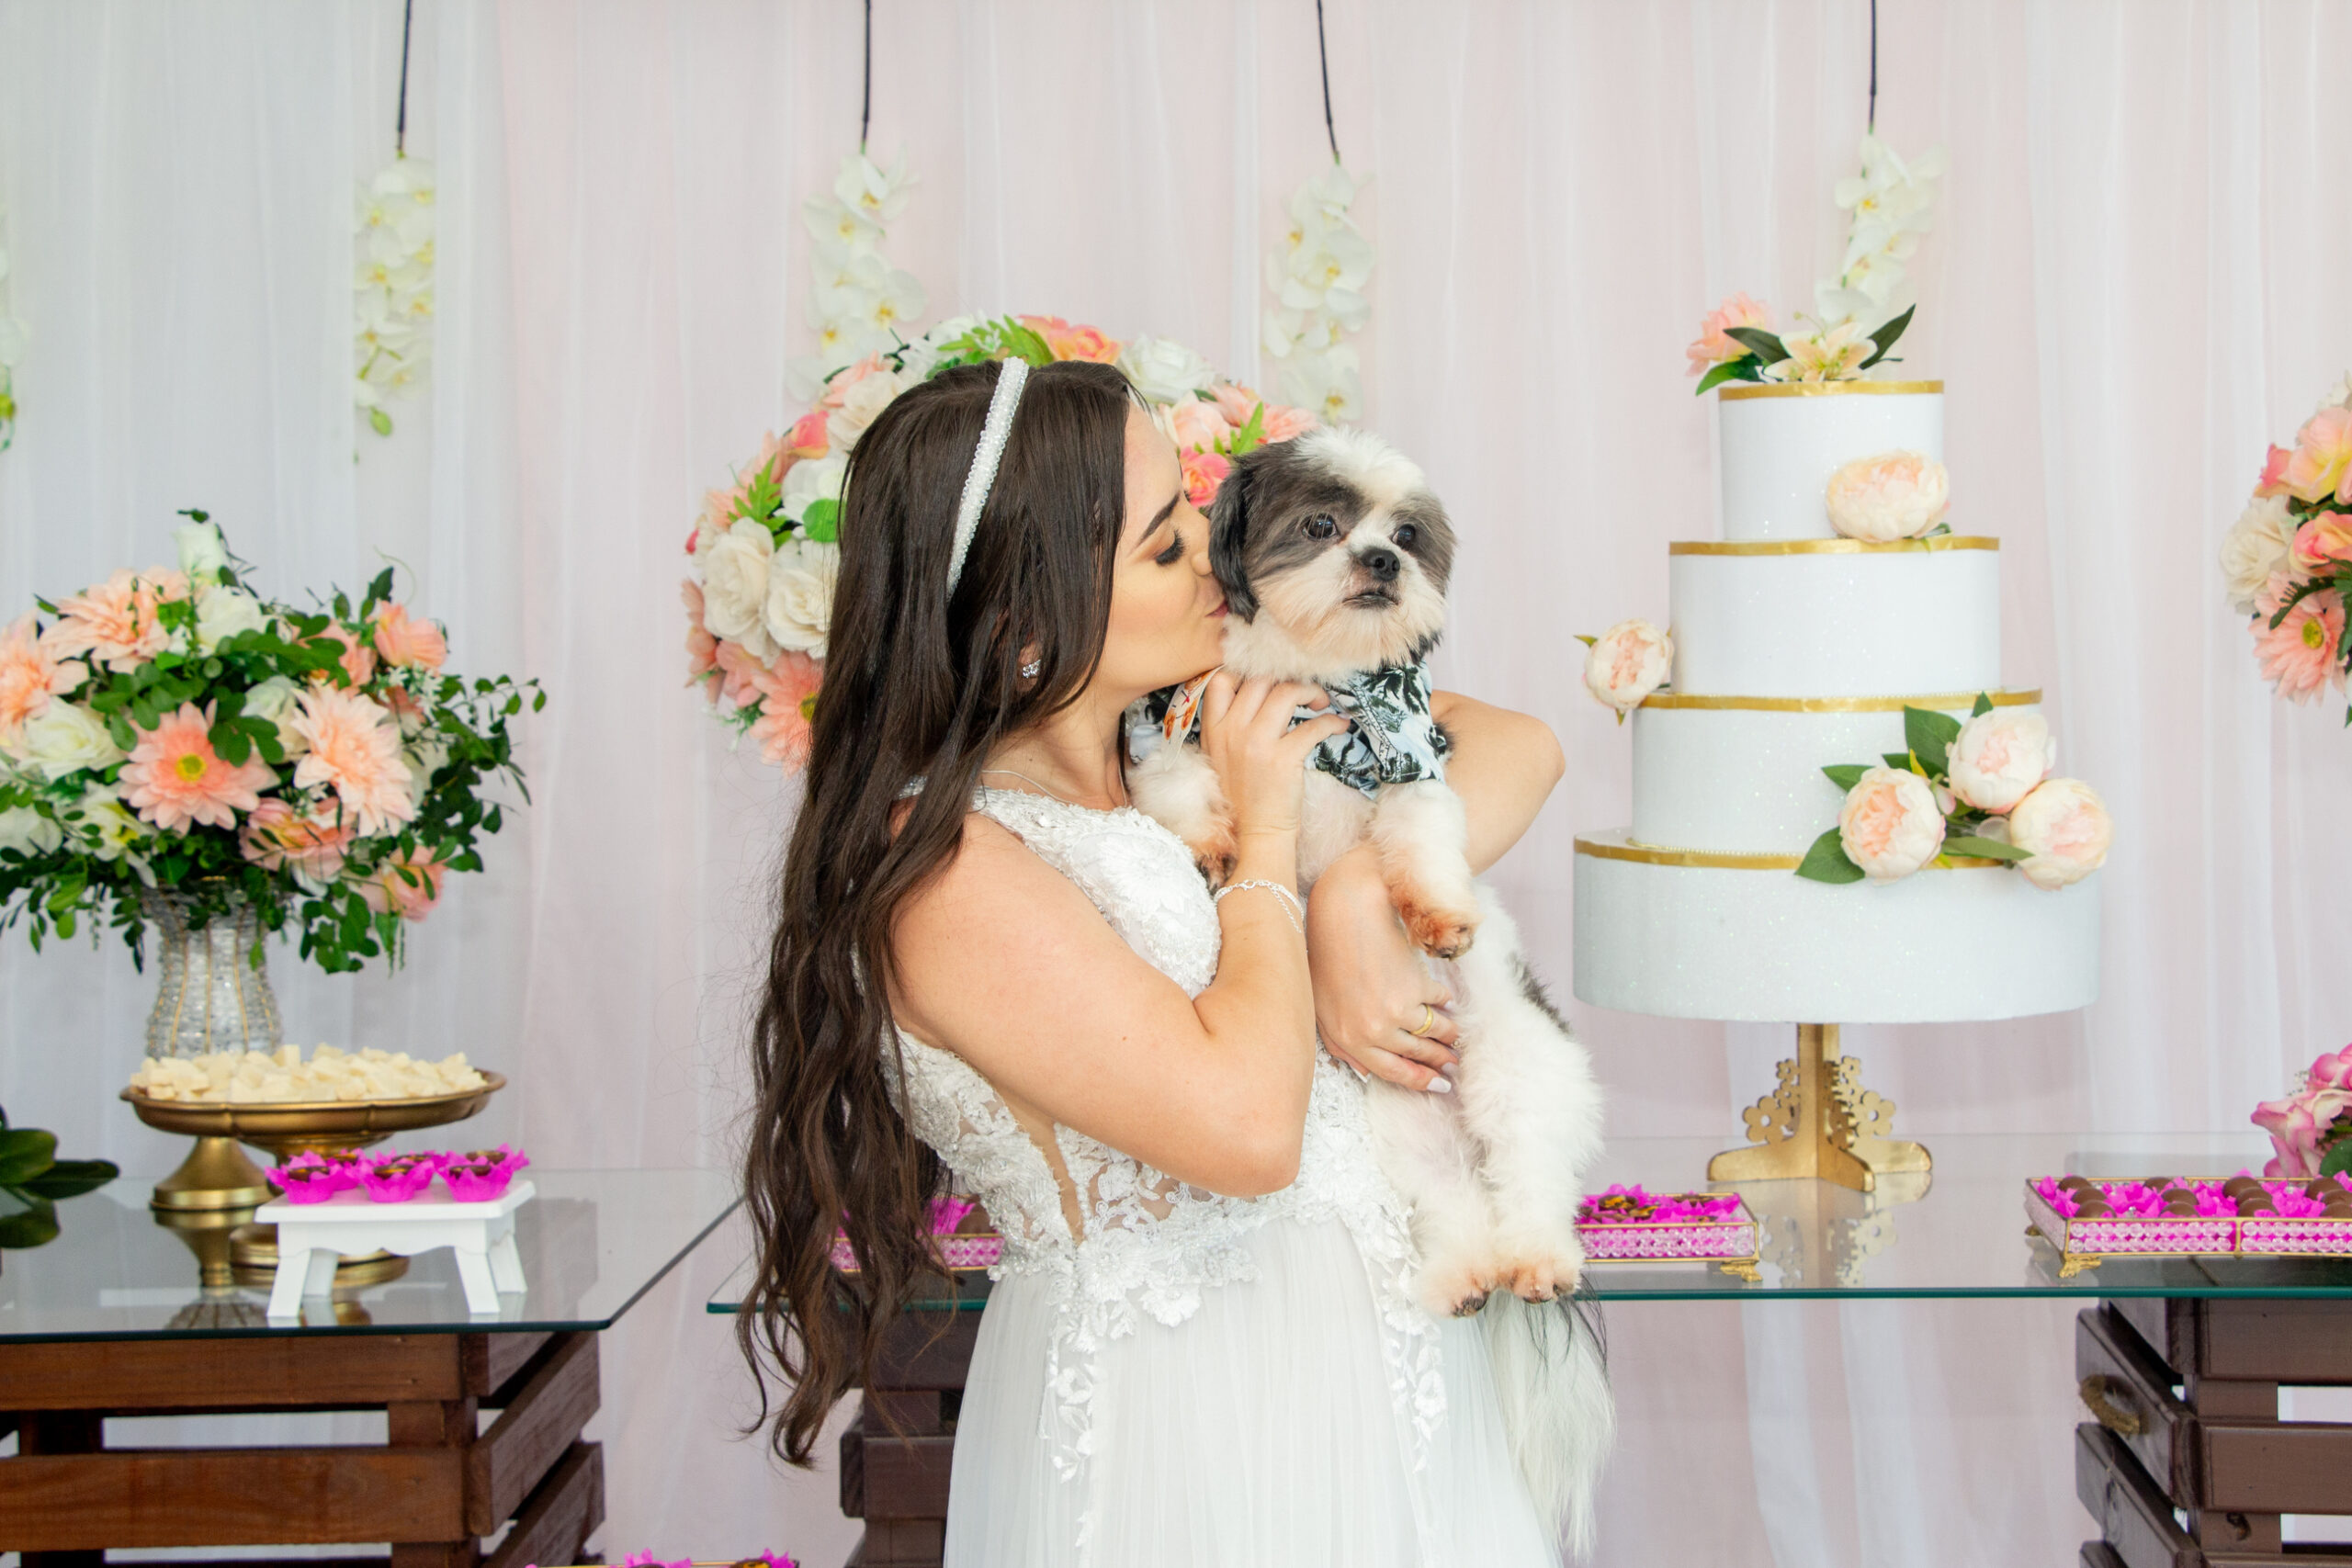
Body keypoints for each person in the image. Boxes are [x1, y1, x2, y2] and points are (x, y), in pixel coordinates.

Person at [741, 356, 1572, 1564]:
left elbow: (1518, 748)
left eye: (1195, 521)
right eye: (1167, 548)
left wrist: (1354, 902)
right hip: (1187, 1427)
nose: (1215, 564)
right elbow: (1243, 1133)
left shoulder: (1180, 743)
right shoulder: (950, 874)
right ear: (1029, 617)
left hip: (1386, 1389)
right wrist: (1276, 846)